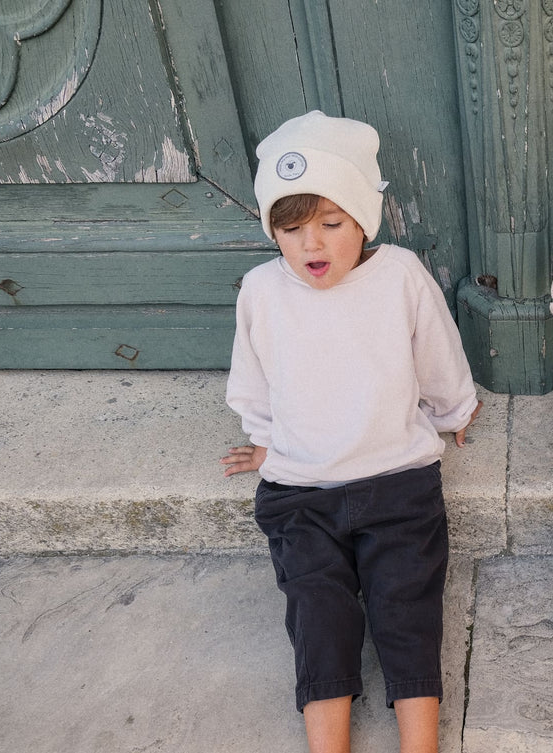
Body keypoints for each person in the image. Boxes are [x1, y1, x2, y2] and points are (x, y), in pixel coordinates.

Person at [220, 110, 482, 753]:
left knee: (407, 606)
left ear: (363, 219)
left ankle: (419, 744)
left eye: (331, 225)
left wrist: (453, 411)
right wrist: (265, 438)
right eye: (291, 228)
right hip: (301, 492)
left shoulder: (397, 275)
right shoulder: (261, 290)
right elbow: (252, 374)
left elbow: (437, 352)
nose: (312, 244)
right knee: (318, 611)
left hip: (397, 482)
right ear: (272, 230)